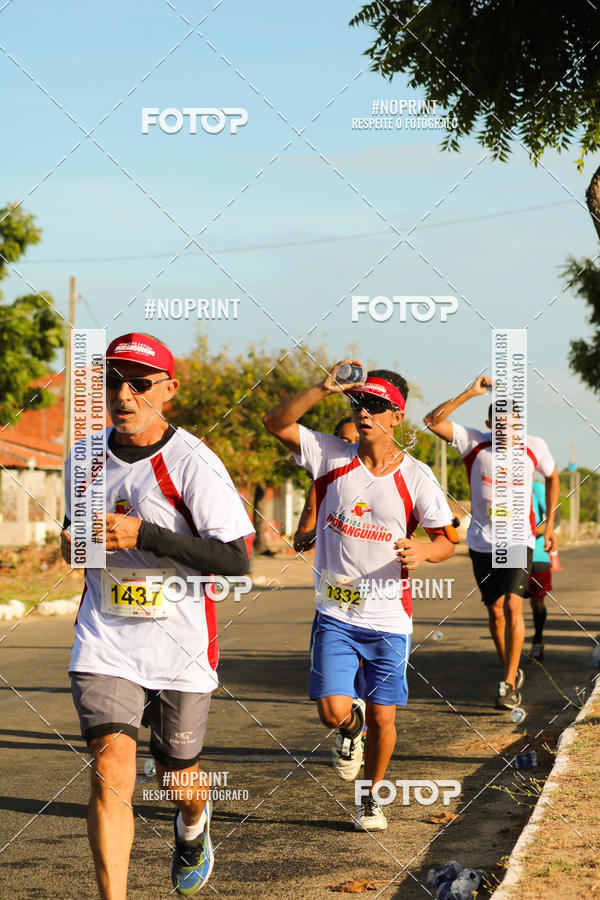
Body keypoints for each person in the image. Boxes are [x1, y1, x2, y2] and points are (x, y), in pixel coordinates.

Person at [62, 333, 253, 899]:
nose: (124, 395)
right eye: (113, 382)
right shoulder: (84, 455)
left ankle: (194, 823)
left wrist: (144, 534)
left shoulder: (193, 461)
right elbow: (77, 538)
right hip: (106, 637)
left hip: (180, 644)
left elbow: (237, 559)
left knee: (175, 773)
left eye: (139, 384)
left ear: (167, 390)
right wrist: (79, 543)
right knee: (113, 768)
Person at [264, 361, 457, 831]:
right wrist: (323, 388)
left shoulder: (417, 477)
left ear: (397, 417)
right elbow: (276, 423)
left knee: (385, 718)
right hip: (336, 611)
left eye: (377, 406)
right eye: (360, 403)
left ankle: (370, 797)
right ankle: (350, 729)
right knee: (334, 710)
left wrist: (425, 550)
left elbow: (449, 539)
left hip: (390, 619)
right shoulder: (330, 456)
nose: (365, 412)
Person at [424, 376, 559, 711]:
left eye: (513, 426)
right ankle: (509, 669)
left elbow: (553, 476)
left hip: (519, 541)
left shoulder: (534, 446)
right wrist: (471, 391)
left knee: (514, 605)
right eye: (499, 425)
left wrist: (550, 522)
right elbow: (431, 421)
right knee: (495, 611)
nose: (506, 431)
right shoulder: (474, 443)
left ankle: (509, 683)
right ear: (489, 425)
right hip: (482, 544)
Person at [293, 418, 359, 554]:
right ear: (334, 444)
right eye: (345, 442)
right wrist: (324, 529)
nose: (353, 447)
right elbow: (299, 544)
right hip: (334, 573)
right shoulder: (323, 484)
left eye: (358, 441)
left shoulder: (387, 477)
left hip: (378, 574)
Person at [526, 479, 554, 662]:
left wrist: (531, 531)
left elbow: (554, 520)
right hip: (513, 552)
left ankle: (538, 639)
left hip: (537, 555)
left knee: (537, 603)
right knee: (509, 603)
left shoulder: (537, 488)